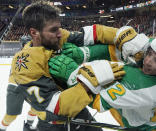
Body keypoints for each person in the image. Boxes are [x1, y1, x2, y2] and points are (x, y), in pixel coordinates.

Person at [0, 1, 126, 131]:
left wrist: (122, 36)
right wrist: (88, 82)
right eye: (53, 30)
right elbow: (54, 107)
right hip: (53, 124)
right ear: (34, 33)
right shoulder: (24, 63)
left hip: (78, 112)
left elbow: (90, 36)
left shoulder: (57, 37)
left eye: (59, 28)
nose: (60, 34)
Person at [49, 29, 156, 130]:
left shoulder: (148, 90)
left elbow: (98, 102)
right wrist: (84, 53)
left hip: (141, 128)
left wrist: (72, 74)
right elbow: (118, 47)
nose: (148, 61)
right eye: (149, 52)